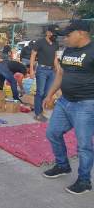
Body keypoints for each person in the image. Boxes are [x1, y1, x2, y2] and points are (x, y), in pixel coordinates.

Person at [42, 20, 94, 195]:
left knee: (84, 145)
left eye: (68, 35)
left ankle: (85, 181)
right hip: (64, 102)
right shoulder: (68, 51)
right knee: (52, 133)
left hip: (86, 104)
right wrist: (50, 95)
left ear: (81, 33)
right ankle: (63, 165)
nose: (65, 38)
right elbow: (61, 74)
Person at [30, 25, 60, 122]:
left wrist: (58, 69)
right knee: (40, 92)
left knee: (47, 93)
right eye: (53, 33)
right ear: (48, 32)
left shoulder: (56, 43)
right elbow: (33, 55)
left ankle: (41, 110)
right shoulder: (40, 42)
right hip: (42, 70)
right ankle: (38, 114)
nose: (54, 36)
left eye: (56, 34)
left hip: (52, 71)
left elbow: (55, 58)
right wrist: (31, 70)